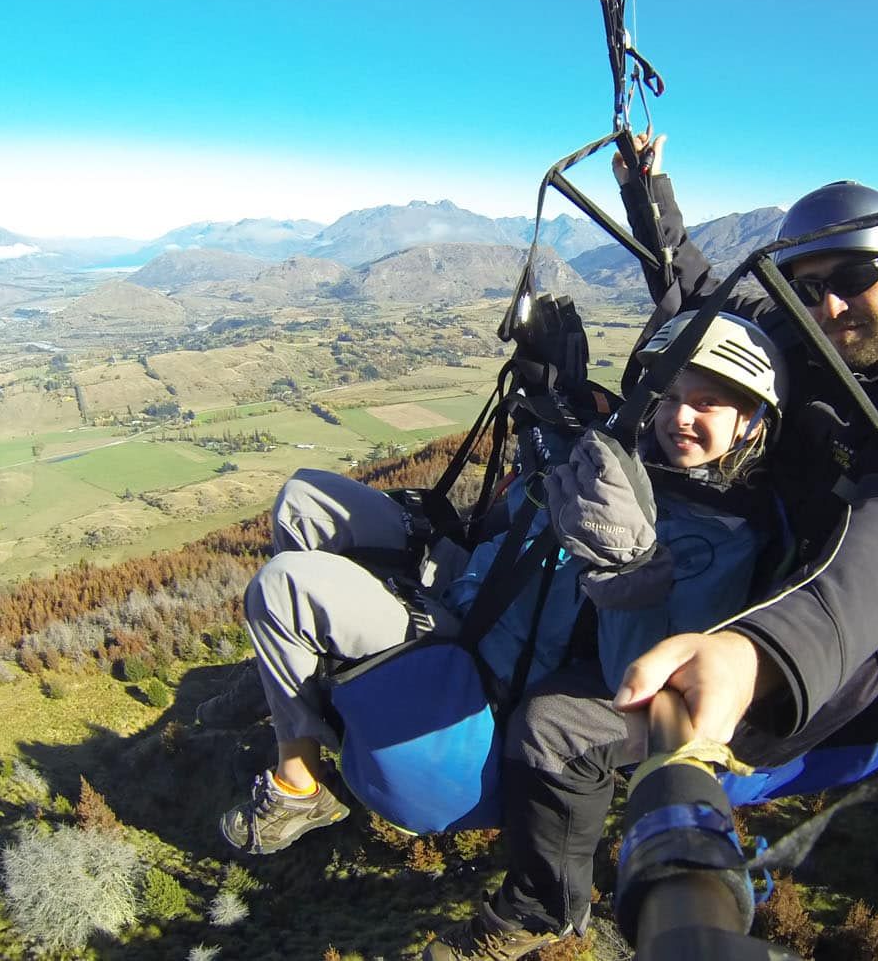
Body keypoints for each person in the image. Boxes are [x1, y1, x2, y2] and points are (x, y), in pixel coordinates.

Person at [421, 138, 878, 959]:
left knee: (556, 722)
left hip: (836, 672)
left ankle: (546, 904)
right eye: (810, 286)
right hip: (736, 590)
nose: (829, 306)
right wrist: (647, 189)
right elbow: (694, 290)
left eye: (856, 278)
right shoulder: (801, 340)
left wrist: (760, 653)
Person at [217, 310, 789, 861]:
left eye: (707, 403)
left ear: (753, 422)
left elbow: (638, 678)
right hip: (472, 583)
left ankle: (299, 786)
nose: (679, 417)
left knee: (285, 587)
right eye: (670, 398)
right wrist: (551, 396)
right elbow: (529, 505)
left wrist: (628, 572)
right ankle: (294, 682)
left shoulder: (722, 542)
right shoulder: (633, 460)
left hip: (488, 657)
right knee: (306, 497)